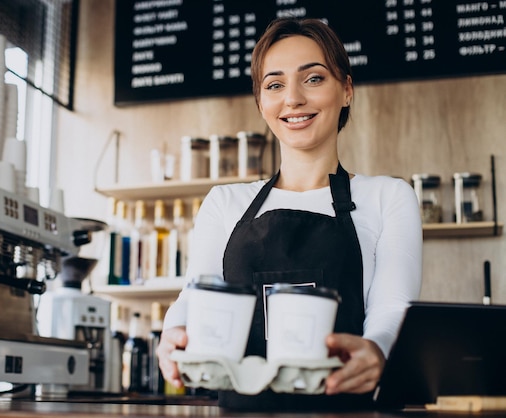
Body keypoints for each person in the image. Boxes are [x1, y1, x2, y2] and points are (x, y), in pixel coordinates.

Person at [156, 17, 422, 411]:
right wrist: (173, 330)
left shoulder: (390, 197)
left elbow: (392, 308)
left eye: (313, 79)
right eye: (274, 84)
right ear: (262, 103)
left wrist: (378, 351)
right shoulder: (224, 202)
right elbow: (196, 296)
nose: (293, 99)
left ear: (346, 90)